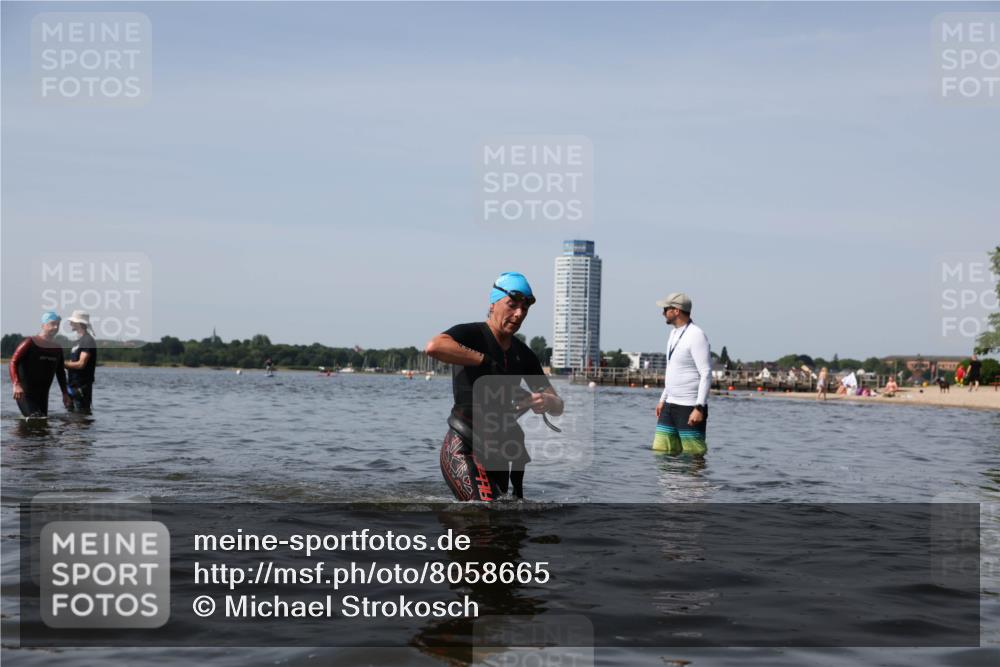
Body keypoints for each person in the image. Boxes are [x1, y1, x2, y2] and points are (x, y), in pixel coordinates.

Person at [426, 272, 563, 501]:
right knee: (485, 515)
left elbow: (558, 406)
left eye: (524, 309)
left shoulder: (524, 354)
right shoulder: (470, 335)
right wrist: (484, 361)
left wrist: (548, 401)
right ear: (493, 303)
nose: (519, 314)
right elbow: (434, 347)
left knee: (504, 522)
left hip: (500, 452)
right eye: (512, 305)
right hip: (464, 445)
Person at [652, 292, 711, 456]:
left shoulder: (696, 335)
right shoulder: (673, 334)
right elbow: (672, 369)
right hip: (669, 405)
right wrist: (663, 399)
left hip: (689, 407)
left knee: (693, 457)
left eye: (666, 309)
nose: (662, 312)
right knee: (661, 454)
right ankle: (669, 483)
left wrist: (699, 407)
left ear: (676, 310)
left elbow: (706, 373)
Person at [9, 311, 71, 418]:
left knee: (42, 422)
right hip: (25, 394)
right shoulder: (30, 342)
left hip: (43, 396)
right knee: (36, 419)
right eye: (52, 324)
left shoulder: (57, 349)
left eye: (58, 324)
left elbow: (60, 373)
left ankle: (20, 431)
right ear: (43, 325)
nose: (56, 327)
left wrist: (64, 393)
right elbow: (13, 362)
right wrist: (16, 384)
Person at [62, 310, 98, 412]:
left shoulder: (87, 340)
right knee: (72, 420)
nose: (70, 323)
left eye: (72, 321)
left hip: (82, 387)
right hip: (72, 386)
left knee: (81, 420)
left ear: (79, 323)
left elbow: (81, 364)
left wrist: (61, 363)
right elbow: (73, 362)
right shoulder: (78, 341)